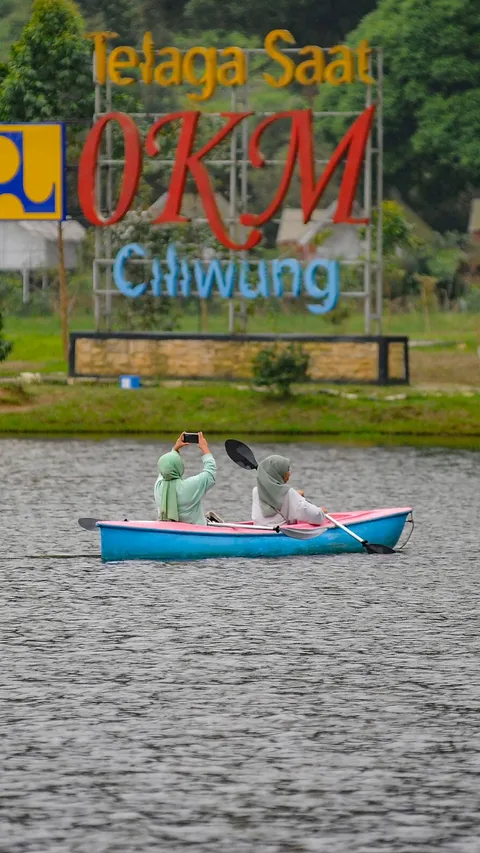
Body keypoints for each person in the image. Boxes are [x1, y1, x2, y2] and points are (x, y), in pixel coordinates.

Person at [154, 432, 216, 525]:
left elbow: (165, 468)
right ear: (179, 467)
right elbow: (210, 473)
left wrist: (175, 449)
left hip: (169, 529)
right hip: (197, 531)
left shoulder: (158, 486)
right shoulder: (190, 486)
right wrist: (205, 448)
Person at [251, 454, 326, 526]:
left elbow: (276, 497)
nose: (289, 474)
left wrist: (296, 496)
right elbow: (316, 517)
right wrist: (321, 512)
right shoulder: (288, 493)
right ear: (278, 473)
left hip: (258, 531)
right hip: (281, 534)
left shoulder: (256, 491)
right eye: (287, 470)